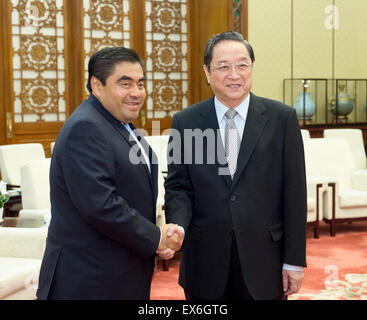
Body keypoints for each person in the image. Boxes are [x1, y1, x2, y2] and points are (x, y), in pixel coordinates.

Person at [164, 31, 307, 300]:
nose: (234, 74)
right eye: (223, 66)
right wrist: (178, 227)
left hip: (266, 262)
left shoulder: (281, 119)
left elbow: (295, 194)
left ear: (252, 68)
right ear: (207, 72)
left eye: (242, 65)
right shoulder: (186, 121)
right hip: (204, 262)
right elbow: (178, 187)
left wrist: (294, 261)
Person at [37, 47, 181, 300]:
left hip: (119, 273)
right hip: (89, 280)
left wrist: (153, 238)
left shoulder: (119, 124)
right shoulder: (86, 127)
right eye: (125, 84)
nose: (136, 93)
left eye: (140, 84)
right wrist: (156, 237)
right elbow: (100, 205)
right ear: (96, 84)